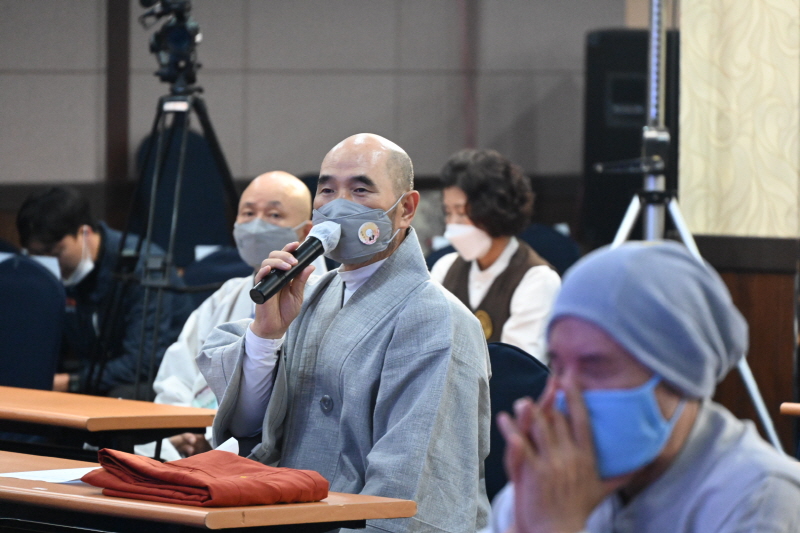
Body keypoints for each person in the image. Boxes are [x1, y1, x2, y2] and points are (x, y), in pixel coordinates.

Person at [198, 133, 491, 532]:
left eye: (360, 189)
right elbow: (250, 428)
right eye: (327, 190)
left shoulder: (436, 318)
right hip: (288, 515)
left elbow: (413, 478)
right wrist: (266, 336)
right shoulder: (310, 295)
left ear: (405, 208)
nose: (338, 205)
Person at [490, 241, 800, 533]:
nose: (564, 393)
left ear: (679, 377)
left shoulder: (759, 498)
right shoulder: (555, 474)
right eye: (557, 366)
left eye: (596, 367)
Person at [140, 170, 324, 460]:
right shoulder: (226, 296)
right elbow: (178, 373)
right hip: (192, 446)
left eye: (274, 215)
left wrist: (216, 436)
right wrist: (182, 430)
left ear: (305, 231)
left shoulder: (325, 295)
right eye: (248, 213)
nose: (256, 225)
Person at [16, 187, 192, 398]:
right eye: (37, 255)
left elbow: (145, 361)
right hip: (96, 374)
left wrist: (72, 382)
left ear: (85, 233)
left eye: (55, 253)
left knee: (119, 396)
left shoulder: (144, 264)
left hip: (159, 379)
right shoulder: (53, 274)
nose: (49, 263)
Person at [430, 149, 560, 361]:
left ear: (492, 211)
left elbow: (518, 370)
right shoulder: (445, 269)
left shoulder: (537, 280)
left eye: (462, 213)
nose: (452, 224)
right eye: (448, 212)